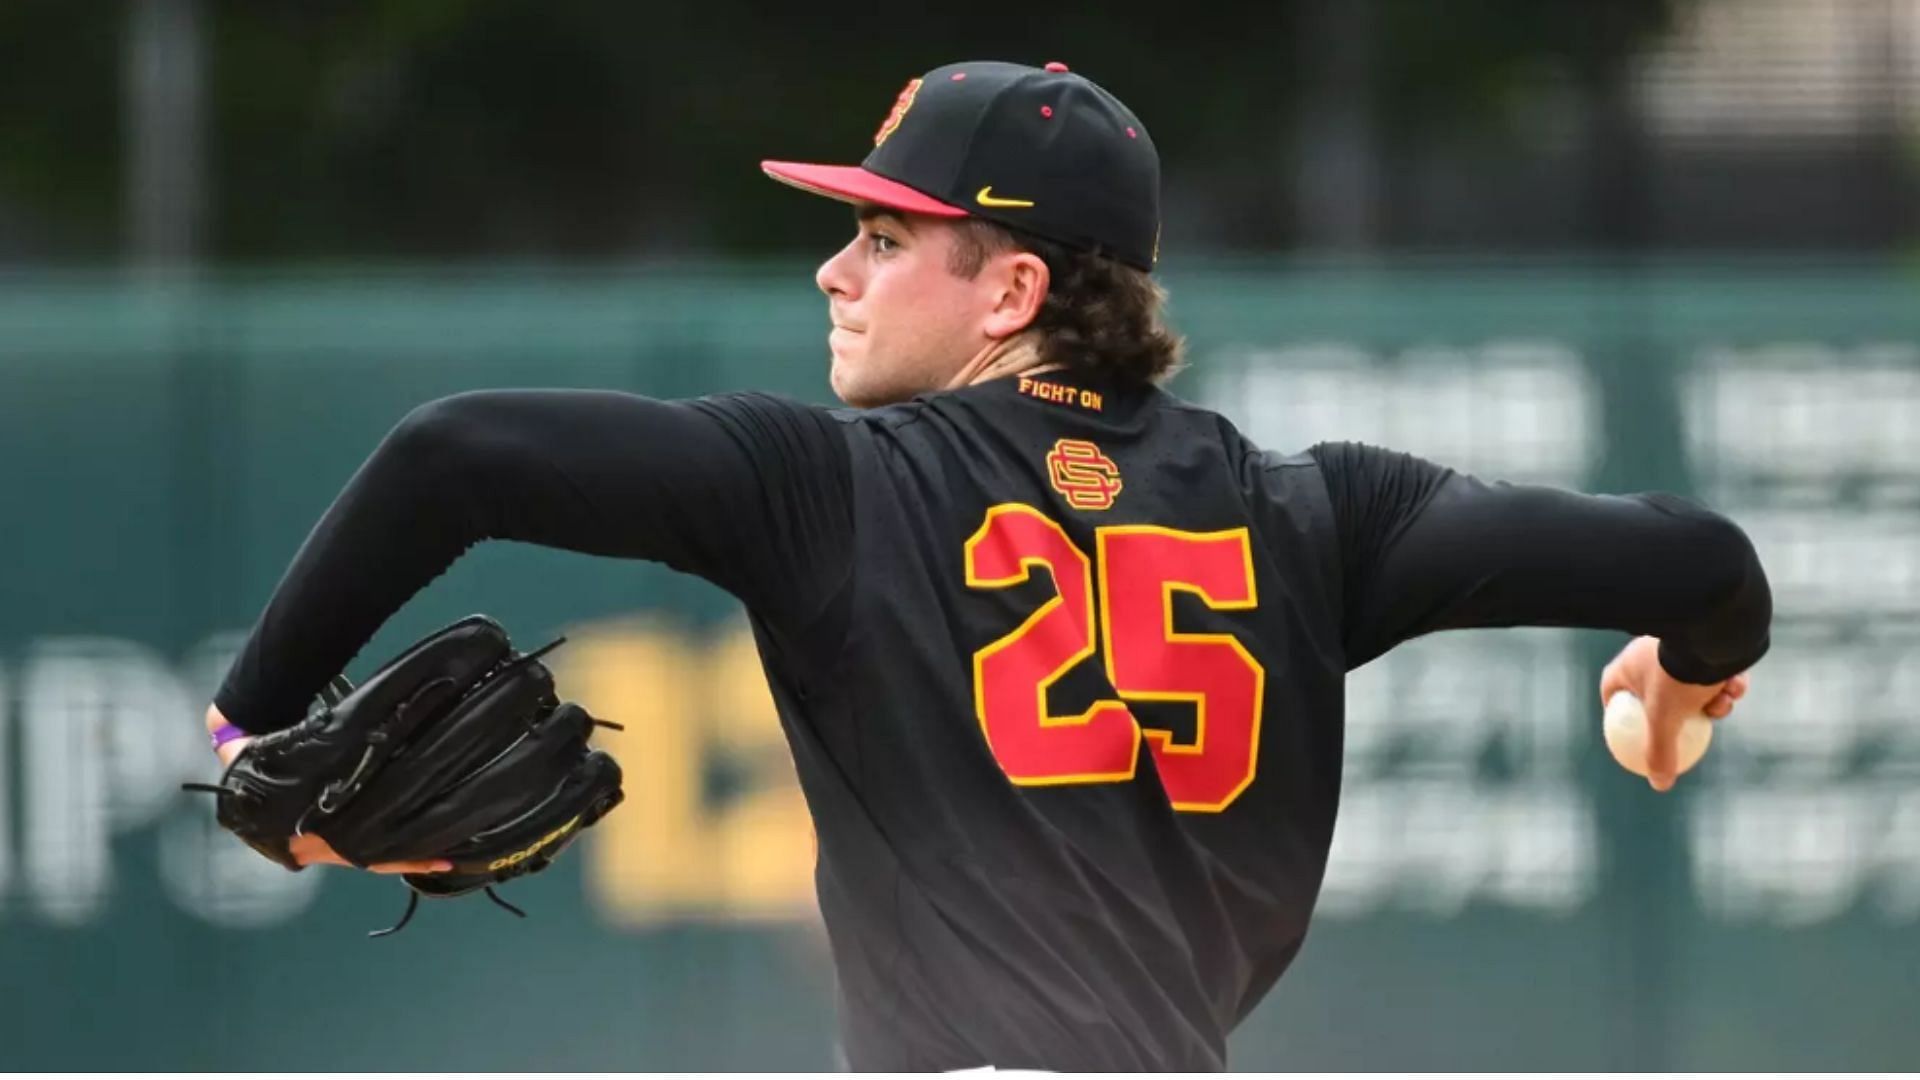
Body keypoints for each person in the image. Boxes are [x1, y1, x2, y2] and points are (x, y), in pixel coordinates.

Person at [203, 59, 1768, 1070]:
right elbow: (1702, 557)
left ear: (1011, 286)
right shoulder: (1319, 512)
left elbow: (451, 455)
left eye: (887, 238)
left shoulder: (825, 488)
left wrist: (250, 728)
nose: (837, 265)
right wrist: (1682, 683)